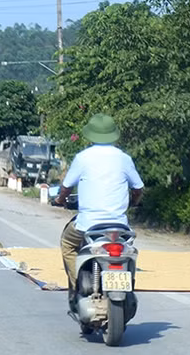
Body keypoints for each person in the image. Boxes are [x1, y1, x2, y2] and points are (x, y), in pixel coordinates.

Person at [54, 113, 144, 311]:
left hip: (88, 225)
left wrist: (60, 200)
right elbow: (138, 188)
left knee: (68, 244)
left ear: (91, 136)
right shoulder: (124, 159)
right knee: (129, 253)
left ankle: (78, 284)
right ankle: (127, 283)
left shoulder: (83, 158)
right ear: (113, 135)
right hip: (120, 227)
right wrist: (133, 202)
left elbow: (66, 186)